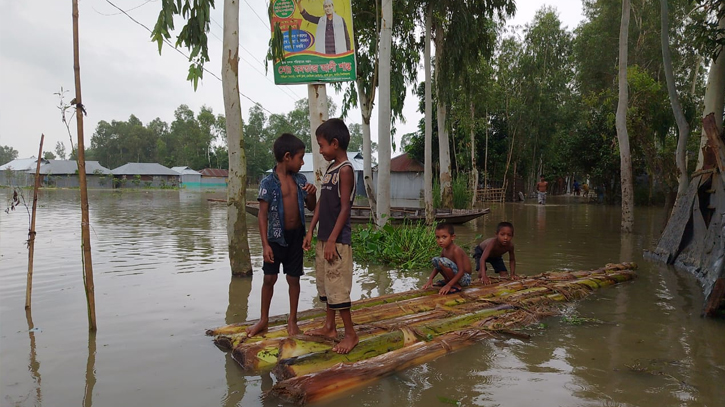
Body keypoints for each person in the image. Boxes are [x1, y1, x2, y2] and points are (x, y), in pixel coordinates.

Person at [246, 133, 317, 338]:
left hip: (296, 237)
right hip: (275, 238)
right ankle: (263, 320)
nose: (303, 162)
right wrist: (265, 245)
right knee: (269, 278)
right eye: (300, 157)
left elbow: (311, 207)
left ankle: (292, 321)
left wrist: (312, 194)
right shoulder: (268, 182)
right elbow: (262, 215)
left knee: (294, 279)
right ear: (287, 156)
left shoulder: (301, 180)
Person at [302, 118, 358, 354]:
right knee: (326, 284)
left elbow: (345, 208)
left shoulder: (345, 170)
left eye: (322, 145)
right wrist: (311, 230)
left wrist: (333, 240)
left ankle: (351, 334)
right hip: (324, 237)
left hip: (338, 240)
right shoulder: (329, 169)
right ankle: (329, 327)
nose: (321, 150)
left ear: (335, 143)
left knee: (338, 286)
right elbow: (323, 203)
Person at [421, 223, 472, 295]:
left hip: (465, 279)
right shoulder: (444, 250)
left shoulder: (456, 250)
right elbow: (437, 266)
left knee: (443, 261)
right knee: (435, 260)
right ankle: (448, 280)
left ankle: (455, 285)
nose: (440, 240)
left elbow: (461, 271)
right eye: (438, 237)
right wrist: (430, 279)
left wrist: (449, 285)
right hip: (457, 276)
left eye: (444, 237)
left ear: (452, 237)